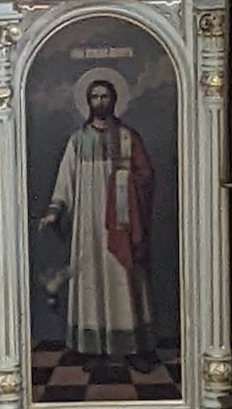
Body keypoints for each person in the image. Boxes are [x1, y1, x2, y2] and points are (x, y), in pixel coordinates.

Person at [38, 77, 157, 369]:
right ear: (88, 102)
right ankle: (89, 346)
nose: (100, 102)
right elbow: (66, 179)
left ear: (114, 100)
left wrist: (128, 184)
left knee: (123, 277)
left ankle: (132, 347)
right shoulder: (78, 140)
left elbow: (146, 175)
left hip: (121, 221)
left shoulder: (128, 137)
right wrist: (55, 211)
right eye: (95, 97)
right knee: (89, 277)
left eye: (105, 96)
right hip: (87, 222)